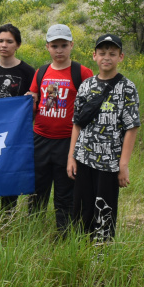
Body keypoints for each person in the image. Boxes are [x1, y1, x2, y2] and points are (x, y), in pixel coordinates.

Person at [68, 34, 140, 242]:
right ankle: (80, 249)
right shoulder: (86, 85)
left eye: (112, 53)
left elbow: (131, 127)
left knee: (104, 210)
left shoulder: (127, 88)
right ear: (94, 56)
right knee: (82, 209)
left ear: (121, 57)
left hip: (109, 163)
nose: (106, 57)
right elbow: (77, 123)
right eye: (102, 53)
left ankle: (102, 254)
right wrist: (72, 156)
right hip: (83, 159)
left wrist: (123, 165)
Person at [26, 24, 93, 233]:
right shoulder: (41, 72)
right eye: (54, 45)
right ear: (47, 47)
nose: (59, 50)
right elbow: (35, 102)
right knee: (37, 189)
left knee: (65, 191)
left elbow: (91, 107)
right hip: (41, 139)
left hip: (67, 142)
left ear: (72, 45)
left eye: (64, 45)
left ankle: (63, 235)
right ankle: (33, 231)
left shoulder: (81, 72)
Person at [0, 23, 36, 210]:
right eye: (0, 41)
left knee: (9, 174)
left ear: (17, 45)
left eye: (9, 42)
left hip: (13, 135)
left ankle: (7, 214)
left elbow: (34, 105)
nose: (4, 45)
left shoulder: (27, 72)